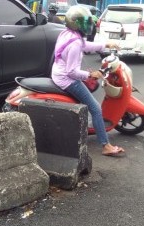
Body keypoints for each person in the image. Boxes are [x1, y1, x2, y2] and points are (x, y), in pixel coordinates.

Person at [51, 5, 124, 157]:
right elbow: (72, 72)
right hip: (67, 79)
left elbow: (86, 45)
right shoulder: (75, 43)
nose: (89, 25)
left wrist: (106, 44)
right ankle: (106, 145)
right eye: (85, 22)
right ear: (76, 23)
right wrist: (91, 75)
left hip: (58, 73)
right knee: (96, 109)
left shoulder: (67, 33)